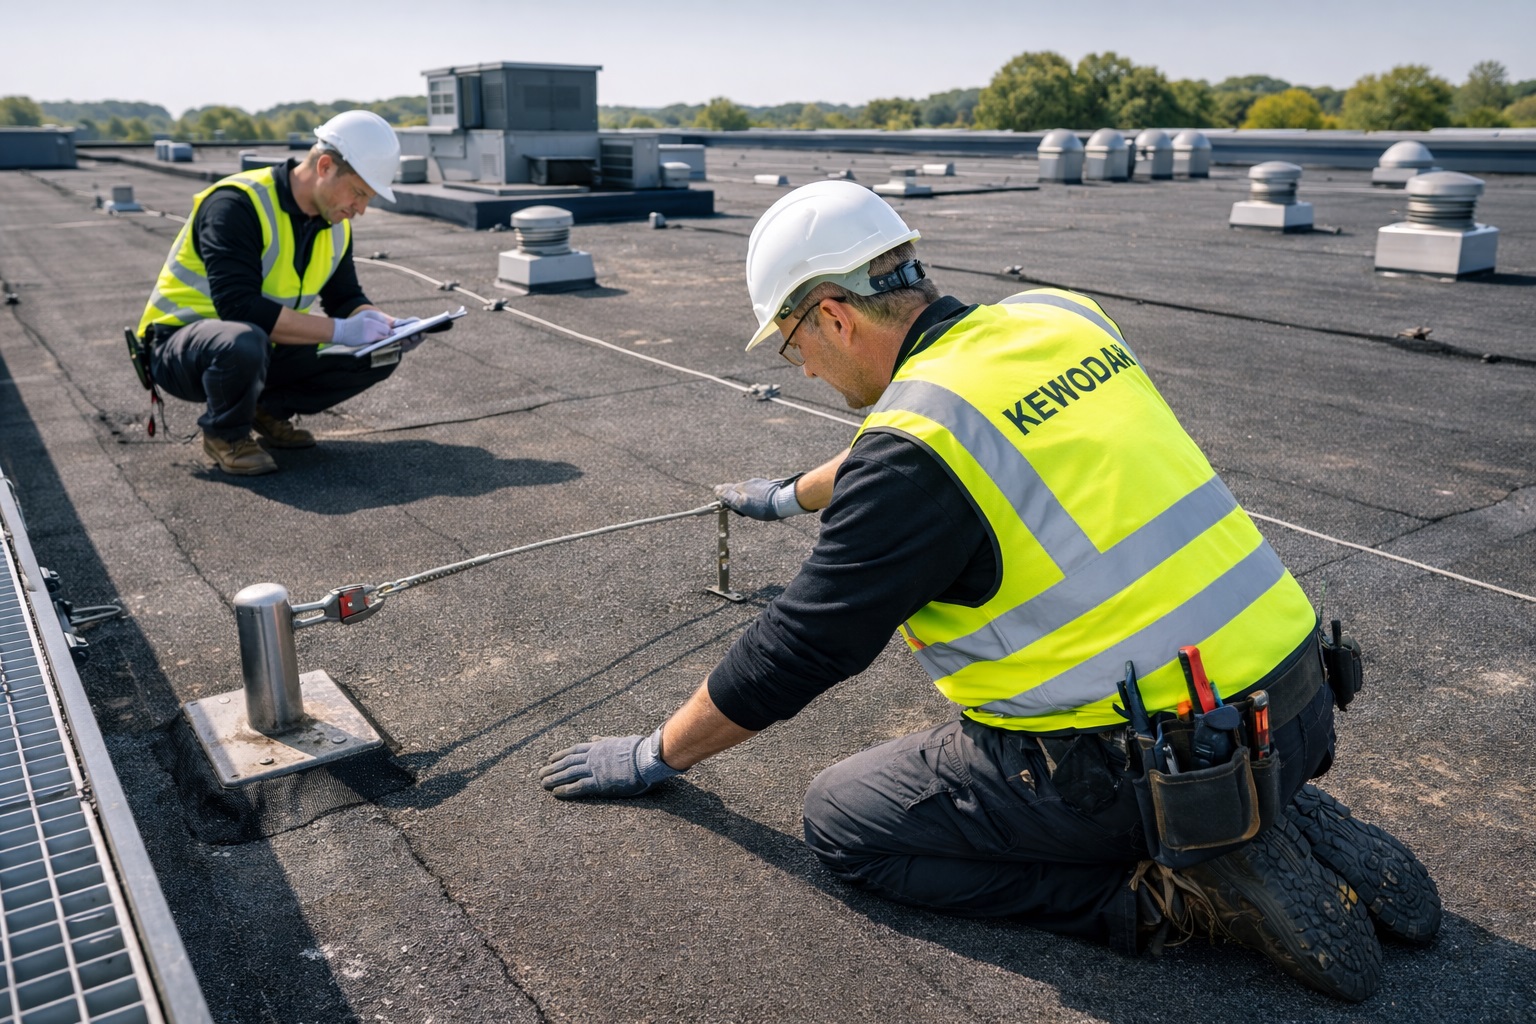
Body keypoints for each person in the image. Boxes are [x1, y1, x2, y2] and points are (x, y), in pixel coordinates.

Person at [538, 181, 1439, 1001]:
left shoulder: (915, 450)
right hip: (1298, 702)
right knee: (1188, 729)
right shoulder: (1060, 321)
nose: (803, 367)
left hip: (1133, 767)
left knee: (846, 819)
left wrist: (660, 751)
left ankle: (1165, 892)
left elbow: (800, 647)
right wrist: (791, 494)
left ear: (834, 316)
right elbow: (949, 427)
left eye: (793, 343)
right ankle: (1257, 808)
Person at [134, 110, 429, 475]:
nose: (361, 209)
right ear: (324, 166)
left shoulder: (336, 226)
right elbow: (239, 307)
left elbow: (345, 298)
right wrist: (342, 331)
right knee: (243, 340)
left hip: (260, 343)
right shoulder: (236, 205)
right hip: (180, 347)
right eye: (358, 193)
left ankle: (266, 409)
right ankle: (225, 434)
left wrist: (387, 327)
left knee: (378, 355)